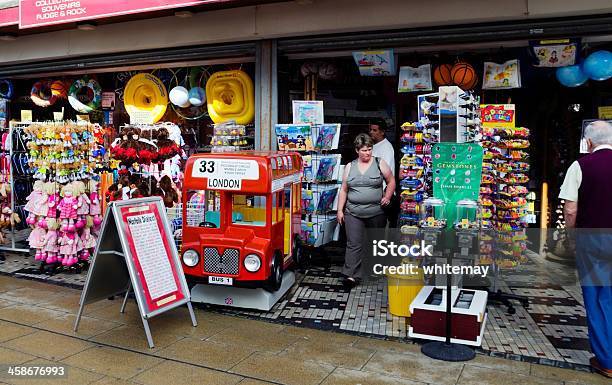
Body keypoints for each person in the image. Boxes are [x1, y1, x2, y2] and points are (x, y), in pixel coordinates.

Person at [559, 120, 612, 378]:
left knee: (594, 298)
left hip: (591, 240)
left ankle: (606, 359)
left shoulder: (580, 165)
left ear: (589, 142)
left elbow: (570, 209)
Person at [337, 133, 396, 288]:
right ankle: (351, 275)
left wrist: (388, 197)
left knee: (375, 242)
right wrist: (339, 211)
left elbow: (391, 181)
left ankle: (374, 269)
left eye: (369, 149)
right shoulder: (350, 166)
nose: (367, 153)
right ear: (357, 150)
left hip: (376, 212)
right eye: (364, 150)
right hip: (353, 212)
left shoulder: (379, 163)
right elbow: (343, 190)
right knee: (354, 243)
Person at [369, 120, 398, 227]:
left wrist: (386, 194)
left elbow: (387, 172)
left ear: (382, 132)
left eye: (375, 130)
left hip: (383, 192)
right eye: (371, 130)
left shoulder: (386, 147)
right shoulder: (375, 146)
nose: (371, 132)